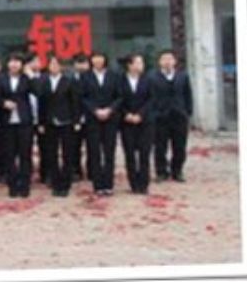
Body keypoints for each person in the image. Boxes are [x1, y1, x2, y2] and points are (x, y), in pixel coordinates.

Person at [38, 56, 81, 197]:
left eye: (56, 64)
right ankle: (55, 183)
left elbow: (75, 102)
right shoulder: (44, 81)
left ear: (61, 66)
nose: (54, 66)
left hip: (66, 121)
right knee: (51, 153)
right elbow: (41, 103)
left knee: (67, 153)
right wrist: (41, 122)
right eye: (51, 64)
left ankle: (65, 184)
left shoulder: (69, 81)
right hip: (49, 122)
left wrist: (76, 121)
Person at [81, 52, 123, 196]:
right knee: (94, 152)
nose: (98, 61)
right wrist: (95, 110)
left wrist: (110, 109)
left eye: (100, 58)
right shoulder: (85, 76)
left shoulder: (114, 76)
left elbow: (120, 96)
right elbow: (83, 97)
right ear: (91, 60)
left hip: (110, 118)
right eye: (95, 58)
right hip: (93, 118)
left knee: (109, 151)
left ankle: (108, 184)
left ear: (105, 60)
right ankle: (97, 185)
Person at [150, 49, 193, 183]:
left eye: (170, 59)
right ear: (159, 62)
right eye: (164, 59)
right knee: (160, 146)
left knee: (179, 146)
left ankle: (177, 171)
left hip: (179, 116)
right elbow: (149, 97)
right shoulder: (152, 77)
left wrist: (187, 112)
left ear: (175, 61)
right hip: (160, 117)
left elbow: (188, 95)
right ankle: (161, 171)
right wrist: (153, 113)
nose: (167, 62)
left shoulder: (183, 76)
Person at [0, 53, 34, 198]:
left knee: (25, 155)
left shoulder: (26, 79)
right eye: (12, 61)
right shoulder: (0, 79)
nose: (14, 64)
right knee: (9, 155)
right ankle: (12, 186)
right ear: (7, 64)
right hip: (7, 122)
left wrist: (31, 75)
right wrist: (3, 103)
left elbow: (39, 91)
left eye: (17, 62)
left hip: (24, 122)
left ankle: (24, 186)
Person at [120, 54, 155, 194]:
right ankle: (133, 184)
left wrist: (140, 114)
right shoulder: (120, 80)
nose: (141, 65)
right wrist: (126, 114)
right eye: (138, 62)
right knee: (129, 154)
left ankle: (144, 184)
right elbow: (118, 99)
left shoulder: (148, 80)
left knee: (144, 153)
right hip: (127, 122)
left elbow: (152, 99)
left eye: (142, 62)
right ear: (130, 65)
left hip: (145, 121)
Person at [24, 54, 45, 185]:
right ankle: (28, 173)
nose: (37, 63)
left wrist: (32, 76)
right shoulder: (22, 78)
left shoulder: (45, 77)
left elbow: (40, 91)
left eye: (38, 61)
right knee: (26, 147)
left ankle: (45, 173)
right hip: (27, 118)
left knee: (45, 147)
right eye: (34, 61)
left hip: (43, 117)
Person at [71, 54, 91, 181]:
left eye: (84, 63)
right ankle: (75, 171)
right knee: (74, 147)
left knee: (92, 146)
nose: (82, 66)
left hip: (90, 117)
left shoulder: (93, 78)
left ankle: (92, 170)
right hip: (74, 118)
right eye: (79, 62)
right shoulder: (69, 78)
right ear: (74, 65)